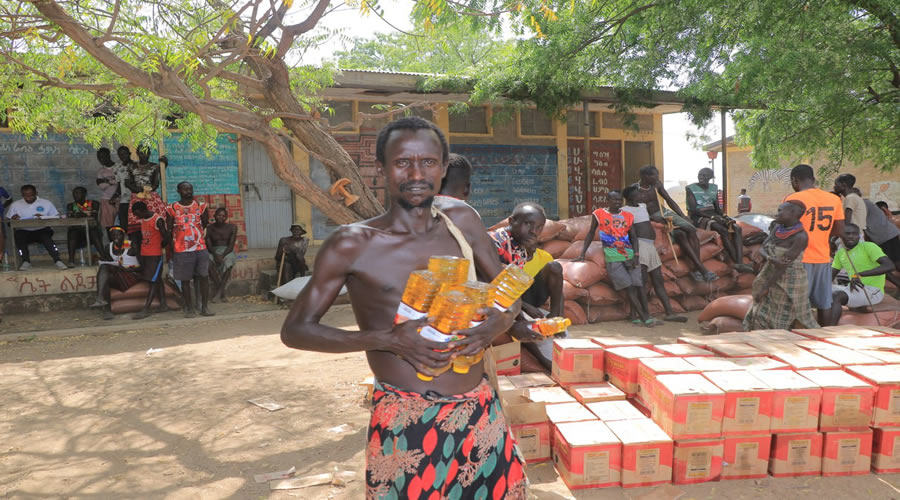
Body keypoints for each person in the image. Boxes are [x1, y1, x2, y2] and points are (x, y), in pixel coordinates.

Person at [280, 117, 529, 499]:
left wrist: (496, 324)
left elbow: (507, 294)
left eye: (428, 162)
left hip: (480, 410)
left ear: (444, 167)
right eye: (402, 163)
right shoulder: (353, 244)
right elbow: (296, 330)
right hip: (405, 421)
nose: (416, 174)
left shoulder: (462, 222)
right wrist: (389, 340)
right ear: (381, 168)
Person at [489, 202, 565, 368]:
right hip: (490, 298)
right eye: (528, 224)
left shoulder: (520, 247)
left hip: (510, 296)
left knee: (554, 268)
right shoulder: (495, 243)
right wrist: (524, 308)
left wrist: (523, 306)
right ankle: (542, 360)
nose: (533, 231)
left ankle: (556, 317)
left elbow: (514, 286)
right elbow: (495, 286)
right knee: (519, 321)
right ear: (511, 221)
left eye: (538, 227)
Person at [577, 190, 659, 327]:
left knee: (638, 286)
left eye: (620, 200)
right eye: (614, 200)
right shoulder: (598, 214)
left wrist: (636, 255)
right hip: (612, 255)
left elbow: (633, 237)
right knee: (629, 288)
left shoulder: (627, 216)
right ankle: (645, 318)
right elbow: (591, 233)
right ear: (607, 200)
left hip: (629, 254)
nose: (617, 202)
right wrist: (582, 253)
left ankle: (641, 316)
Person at [631, 165, 717, 282]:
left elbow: (669, 201)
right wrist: (653, 219)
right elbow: (634, 211)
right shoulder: (633, 190)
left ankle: (697, 268)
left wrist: (682, 216)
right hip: (650, 217)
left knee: (691, 229)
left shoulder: (657, 184)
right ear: (645, 177)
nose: (658, 177)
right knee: (680, 234)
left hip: (663, 212)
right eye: (655, 175)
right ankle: (700, 268)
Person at [743, 201, 818, 330]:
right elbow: (763, 248)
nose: (777, 213)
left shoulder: (801, 236)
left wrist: (766, 287)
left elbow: (782, 266)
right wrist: (771, 259)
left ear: (793, 213)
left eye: (780, 211)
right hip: (771, 274)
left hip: (790, 281)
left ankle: (783, 342)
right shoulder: (778, 228)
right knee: (761, 312)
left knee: (783, 316)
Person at [785, 164, 845, 325]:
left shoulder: (793, 199)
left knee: (794, 303)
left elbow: (785, 231)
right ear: (813, 179)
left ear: (794, 180)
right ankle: (821, 337)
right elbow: (839, 229)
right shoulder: (834, 199)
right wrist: (821, 235)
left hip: (799, 259)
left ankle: (793, 340)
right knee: (824, 303)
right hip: (822, 258)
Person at [622, 186, 688, 322]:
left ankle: (669, 312)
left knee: (658, 280)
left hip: (650, 246)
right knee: (642, 281)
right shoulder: (624, 211)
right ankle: (639, 314)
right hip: (639, 245)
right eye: (637, 195)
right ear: (629, 197)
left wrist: (660, 220)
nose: (641, 196)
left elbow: (649, 218)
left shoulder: (642, 206)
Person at [686, 167, 753, 273]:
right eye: (700, 175)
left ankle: (740, 262)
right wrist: (713, 217)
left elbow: (717, 208)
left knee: (736, 228)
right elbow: (694, 210)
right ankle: (737, 263)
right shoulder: (690, 188)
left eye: (704, 175)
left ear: (711, 177)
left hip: (713, 213)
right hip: (698, 216)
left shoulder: (714, 188)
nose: (701, 177)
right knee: (722, 230)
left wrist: (725, 216)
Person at [829, 223, 895, 324]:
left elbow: (889, 265)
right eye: (847, 233)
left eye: (854, 234)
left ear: (859, 236)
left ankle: (829, 330)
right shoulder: (841, 253)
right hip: (851, 288)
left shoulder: (869, 246)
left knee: (837, 296)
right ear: (841, 235)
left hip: (872, 290)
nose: (851, 236)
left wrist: (860, 274)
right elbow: (831, 275)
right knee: (820, 291)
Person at [166, 181, 214, 318]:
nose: (188, 191)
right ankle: (189, 308)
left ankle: (205, 307)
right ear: (178, 191)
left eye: (190, 189)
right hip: (181, 249)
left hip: (200, 248)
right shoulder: (172, 208)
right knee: (185, 280)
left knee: (204, 277)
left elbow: (205, 224)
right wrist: (173, 250)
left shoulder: (201, 206)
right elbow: (169, 230)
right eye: (184, 189)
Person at [6, 185, 66, 271]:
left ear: (36, 193)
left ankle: (57, 260)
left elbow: (56, 218)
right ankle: (26, 261)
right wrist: (13, 219)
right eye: (26, 196)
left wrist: (44, 217)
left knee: (47, 238)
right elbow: (8, 223)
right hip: (24, 230)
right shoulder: (15, 205)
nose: (29, 198)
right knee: (18, 236)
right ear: (22, 195)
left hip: (42, 229)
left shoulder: (46, 203)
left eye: (31, 195)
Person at [92, 227, 141, 320]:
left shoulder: (130, 245)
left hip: (131, 273)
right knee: (104, 268)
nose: (116, 237)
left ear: (124, 235)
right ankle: (100, 299)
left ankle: (106, 308)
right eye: (113, 235)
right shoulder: (109, 247)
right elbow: (108, 261)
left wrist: (126, 269)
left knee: (106, 279)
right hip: (119, 273)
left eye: (118, 234)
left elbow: (142, 266)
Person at [132, 201, 170, 320]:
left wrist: (160, 246)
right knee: (156, 280)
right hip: (146, 254)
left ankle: (146, 309)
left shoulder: (157, 219)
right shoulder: (143, 219)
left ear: (143, 210)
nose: (137, 217)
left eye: (137, 214)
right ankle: (163, 305)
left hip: (155, 255)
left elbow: (166, 236)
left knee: (153, 281)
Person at [125, 145, 167, 243]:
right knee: (135, 224)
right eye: (141, 153)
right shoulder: (131, 166)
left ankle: (157, 243)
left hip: (151, 197)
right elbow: (127, 183)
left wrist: (148, 190)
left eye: (146, 153)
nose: (144, 155)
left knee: (155, 221)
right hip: (136, 196)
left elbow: (156, 183)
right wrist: (138, 190)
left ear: (149, 154)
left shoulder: (155, 166)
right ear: (137, 154)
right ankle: (138, 246)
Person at [863, 195, 900, 291]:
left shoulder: (864, 204)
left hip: (884, 238)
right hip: (884, 238)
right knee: (891, 263)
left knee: (886, 264)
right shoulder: (868, 208)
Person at [64, 186, 104, 267]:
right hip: (78, 234)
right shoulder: (71, 205)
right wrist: (78, 214)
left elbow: (94, 213)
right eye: (74, 193)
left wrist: (82, 214)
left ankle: (104, 256)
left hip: (91, 232)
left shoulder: (94, 203)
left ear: (85, 194)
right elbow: (70, 214)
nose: (75, 195)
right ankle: (71, 260)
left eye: (78, 193)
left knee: (94, 232)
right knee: (72, 232)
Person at [206, 208, 237, 302]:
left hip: (227, 251)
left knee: (229, 262)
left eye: (224, 216)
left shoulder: (232, 227)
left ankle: (219, 293)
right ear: (214, 216)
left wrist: (222, 256)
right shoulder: (209, 228)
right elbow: (209, 245)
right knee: (207, 262)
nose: (221, 217)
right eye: (219, 215)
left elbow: (231, 245)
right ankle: (222, 291)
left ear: (226, 217)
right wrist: (215, 255)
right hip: (213, 250)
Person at [95, 147, 119, 232]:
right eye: (99, 157)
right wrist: (113, 180)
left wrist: (106, 180)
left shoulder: (118, 167)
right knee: (109, 226)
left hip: (119, 200)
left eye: (102, 156)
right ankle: (111, 245)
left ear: (108, 155)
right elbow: (101, 186)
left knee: (120, 224)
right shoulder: (101, 171)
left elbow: (121, 183)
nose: (100, 159)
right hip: (106, 200)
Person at [114, 146, 135, 228]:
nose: (123, 156)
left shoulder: (136, 166)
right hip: (124, 200)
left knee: (135, 224)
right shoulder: (117, 168)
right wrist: (115, 195)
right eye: (120, 155)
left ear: (129, 154)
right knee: (124, 224)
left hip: (135, 198)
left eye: (125, 154)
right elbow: (119, 185)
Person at [0, 185, 10, 266]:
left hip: (0, 216)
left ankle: (2, 257)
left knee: (1, 235)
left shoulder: (1, 189)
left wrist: (2, 207)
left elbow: (9, 199)